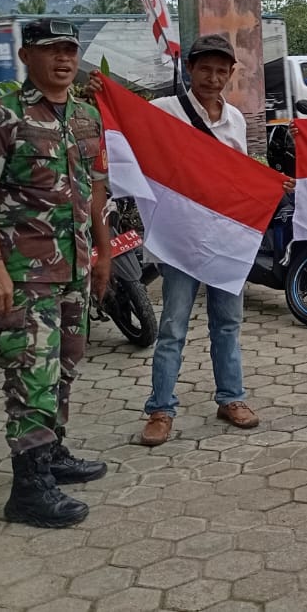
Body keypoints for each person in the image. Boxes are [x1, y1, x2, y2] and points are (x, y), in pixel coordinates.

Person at [0, 18, 112, 527]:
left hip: (73, 267)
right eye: (51, 50)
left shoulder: (87, 118)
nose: (64, 59)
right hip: (25, 272)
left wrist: (104, 253)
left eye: (70, 50)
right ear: (27, 56)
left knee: (65, 363)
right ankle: (27, 488)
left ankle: (52, 454)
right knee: (32, 374)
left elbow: (95, 193)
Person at [91, 34, 261, 446]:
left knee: (228, 324)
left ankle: (231, 397)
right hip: (180, 239)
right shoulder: (164, 111)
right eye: (206, 68)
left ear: (230, 74)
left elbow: (240, 172)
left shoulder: (235, 119)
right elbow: (130, 128)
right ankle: (161, 409)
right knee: (173, 327)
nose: (214, 77)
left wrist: (273, 185)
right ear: (190, 69)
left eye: (222, 70)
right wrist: (105, 96)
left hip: (224, 239)